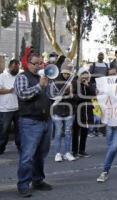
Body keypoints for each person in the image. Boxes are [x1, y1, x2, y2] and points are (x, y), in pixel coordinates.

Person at [15, 54, 54, 197]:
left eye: (41, 63)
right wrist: (39, 86)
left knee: (41, 154)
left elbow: (51, 96)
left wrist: (60, 90)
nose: (39, 66)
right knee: (27, 156)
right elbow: (23, 94)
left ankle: (38, 180)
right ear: (28, 64)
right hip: (30, 122)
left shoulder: (43, 78)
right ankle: (23, 184)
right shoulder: (22, 77)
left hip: (46, 121)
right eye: (36, 63)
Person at [52, 60, 76, 162]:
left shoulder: (73, 81)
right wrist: (66, 92)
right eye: (64, 73)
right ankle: (57, 153)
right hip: (57, 111)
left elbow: (76, 95)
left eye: (68, 73)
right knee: (58, 133)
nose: (66, 75)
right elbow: (54, 95)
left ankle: (67, 152)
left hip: (69, 111)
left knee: (68, 132)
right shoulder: (56, 80)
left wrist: (71, 93)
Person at [72, 67, 96, 158]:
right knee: (75, 132)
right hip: (78, 111)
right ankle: (74, 151)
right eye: (83, 75)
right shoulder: (75, 84)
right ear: (79, 75)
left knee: (84, 132)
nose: (84, 78)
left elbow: (94, 94)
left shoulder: (89, 85)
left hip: (87, 112)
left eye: (86, 76)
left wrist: (88, 85)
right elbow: (74, 96)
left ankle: (82, 150)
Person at [0, 59, 20, 154]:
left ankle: (20, 147)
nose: (15, 69)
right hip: (5, 109)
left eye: (17, 68)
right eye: (13, 68)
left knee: (19, 130)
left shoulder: (19, 76)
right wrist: (9, 91)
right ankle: (1, 148)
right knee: (4, 130)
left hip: (17, 108)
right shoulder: (2, 76)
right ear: (9, 67)